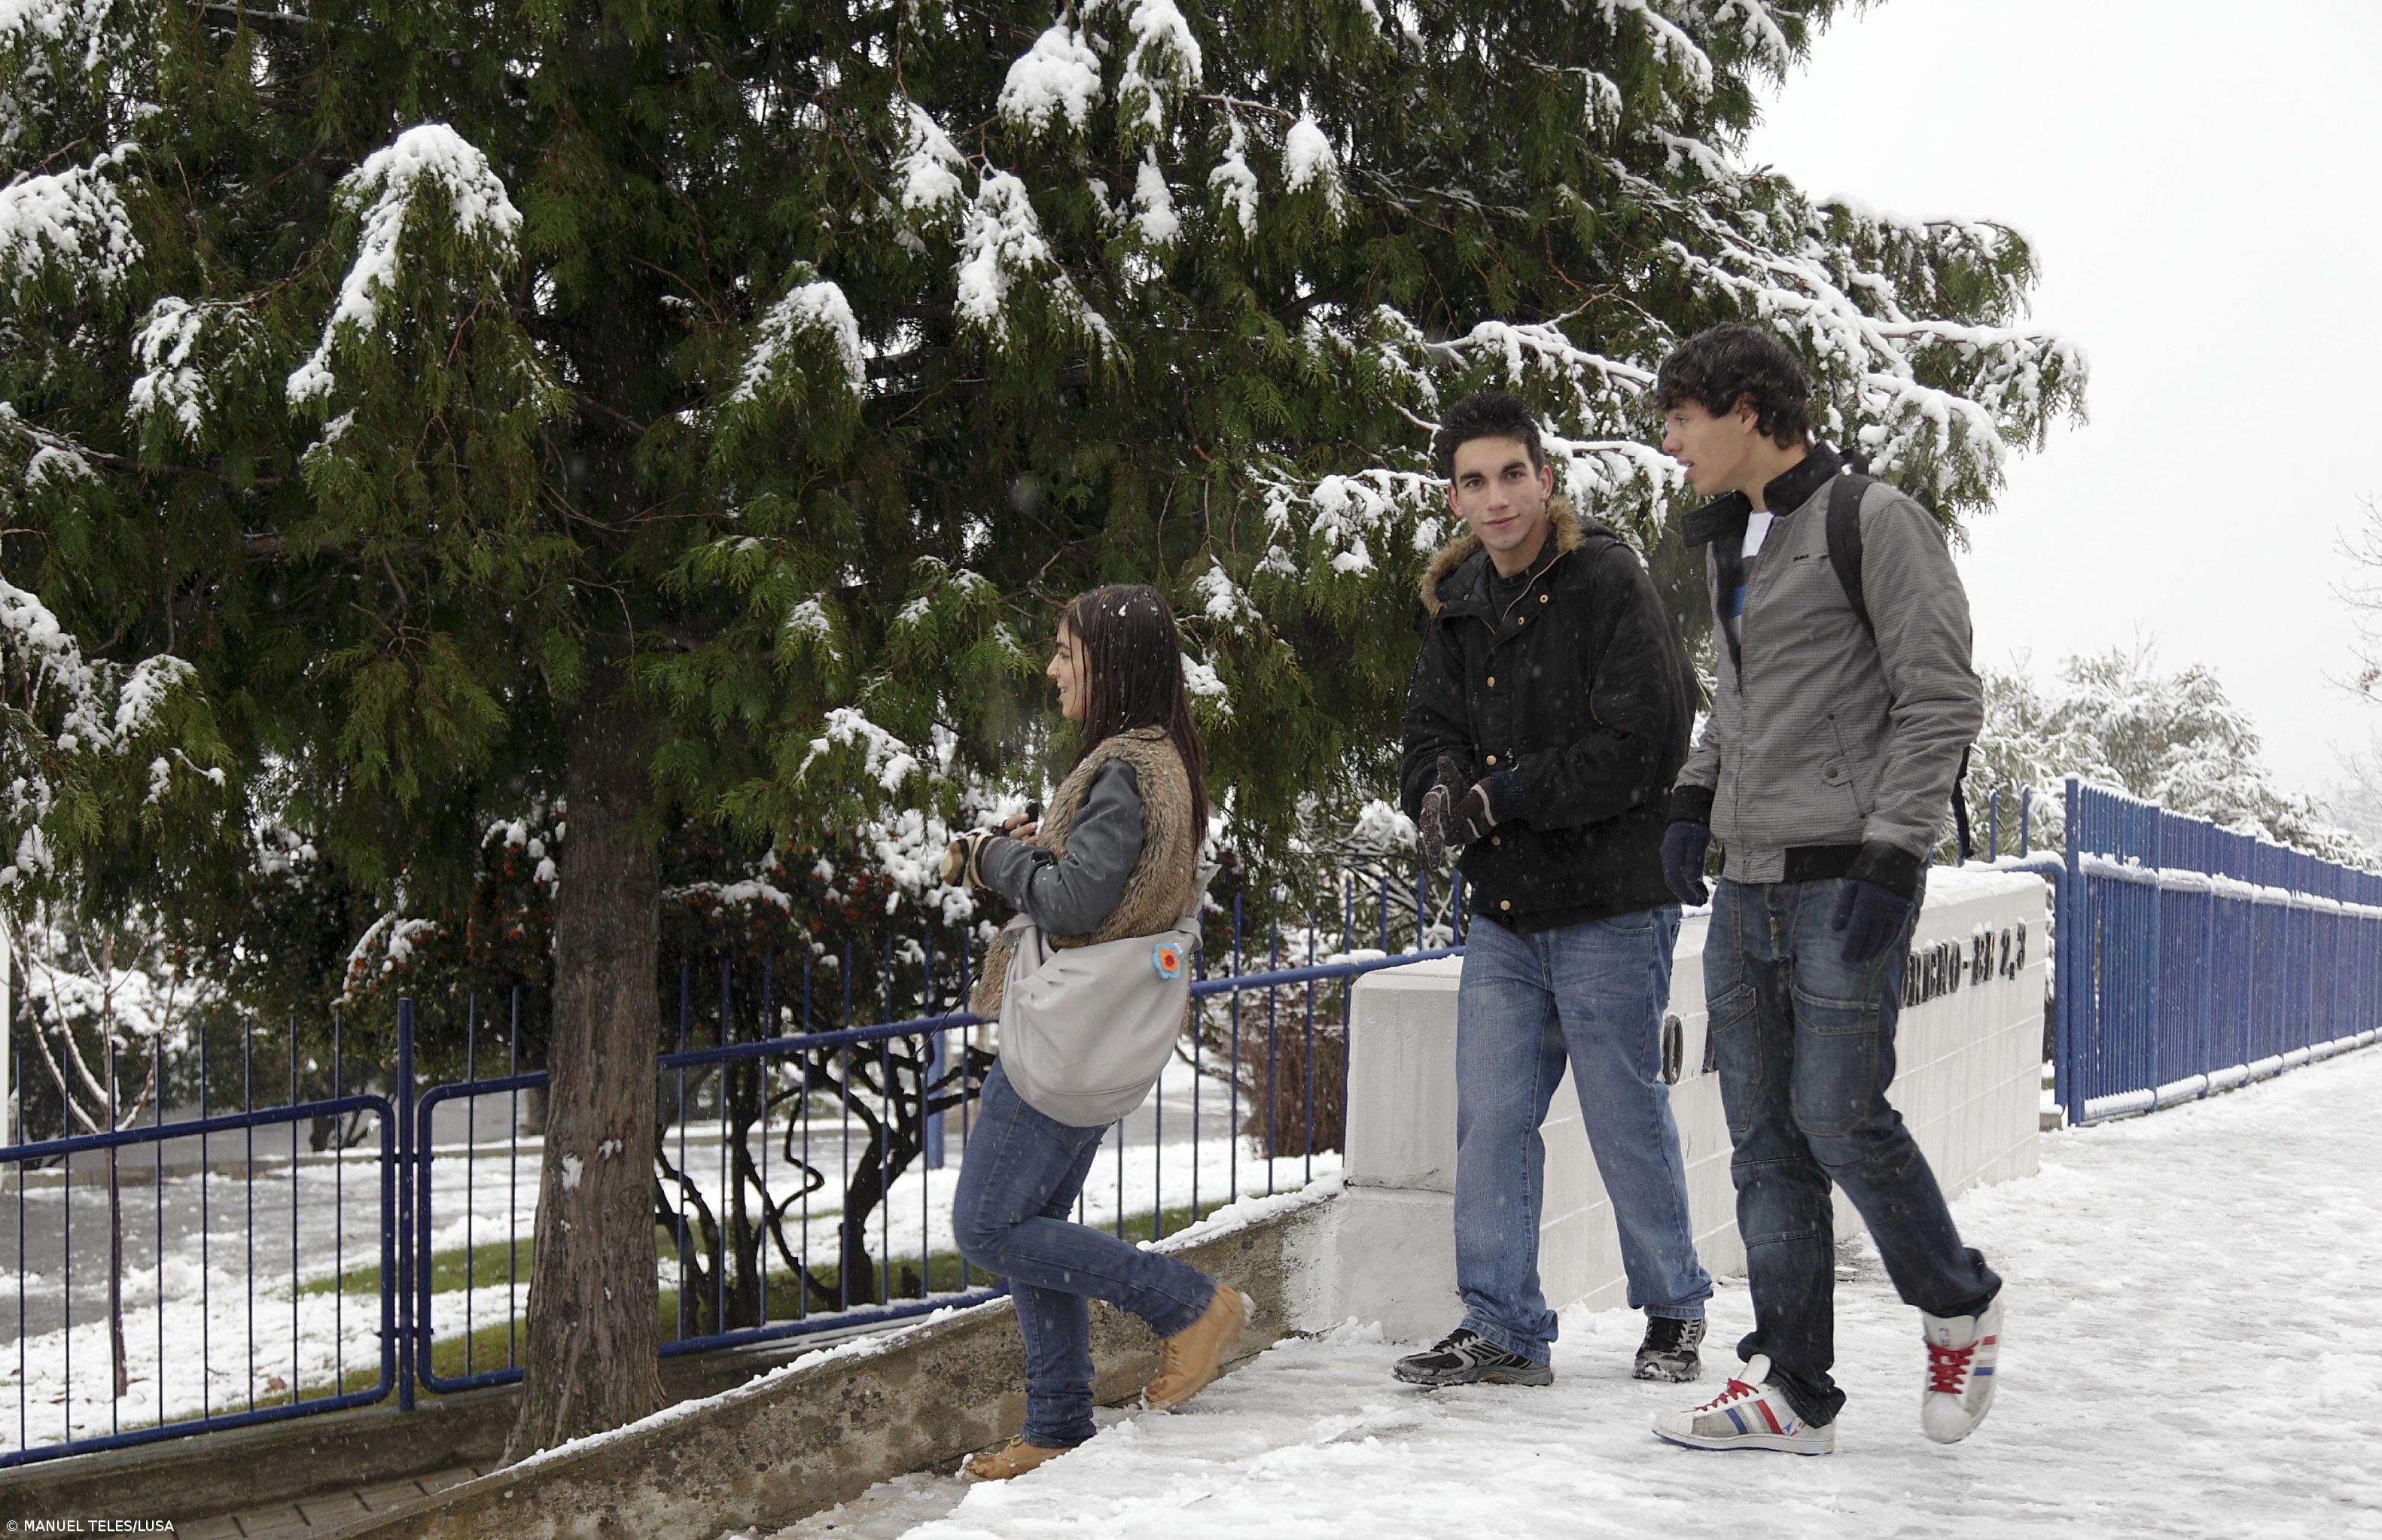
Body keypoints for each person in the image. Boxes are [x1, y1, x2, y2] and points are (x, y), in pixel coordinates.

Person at [1649, 322, 2001, 1456]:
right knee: (1761, 1140)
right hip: (1746, 888)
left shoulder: (1874, 520)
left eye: (1684, 417)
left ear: (1749, 412)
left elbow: (1940, 694)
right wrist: (1693, 796)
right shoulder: (1731, 543)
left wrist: (1897, 851)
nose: (1671, 441)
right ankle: (1793, 1386)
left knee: (1839, 1113)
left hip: (1845, 877)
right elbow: (1742, 702)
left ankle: (1960, 1301)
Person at [1395, 391, 1714, 1390]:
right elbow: (1426, 730)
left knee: (1622, 1109)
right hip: (1503, 911)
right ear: (1452, 494)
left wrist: (1501, 795)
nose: (1497, 498)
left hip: (1612, 900)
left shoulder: (1605, 578)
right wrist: (1441, 788)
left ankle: (1672, 1308)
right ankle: (1503, 1325)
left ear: (1544, 474)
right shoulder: (1454, 604)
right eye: (1474, 480)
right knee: (1491, 1116)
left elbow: (1645, 740)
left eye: (1512, 474)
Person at [942, 583, 1251, 1482]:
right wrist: (1046, 845)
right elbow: (1111, 878)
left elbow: (1077, 903)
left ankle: (1189, 1305)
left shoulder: (1123, 765)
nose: (1052, 670)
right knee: (1034, 1223)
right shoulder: (1159, 760)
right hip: (1100, 1028)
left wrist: (995, 857)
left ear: (1109, 666)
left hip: (1065, 1035)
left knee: (988, 1228)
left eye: (1066, 654)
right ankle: (1057, 1425)